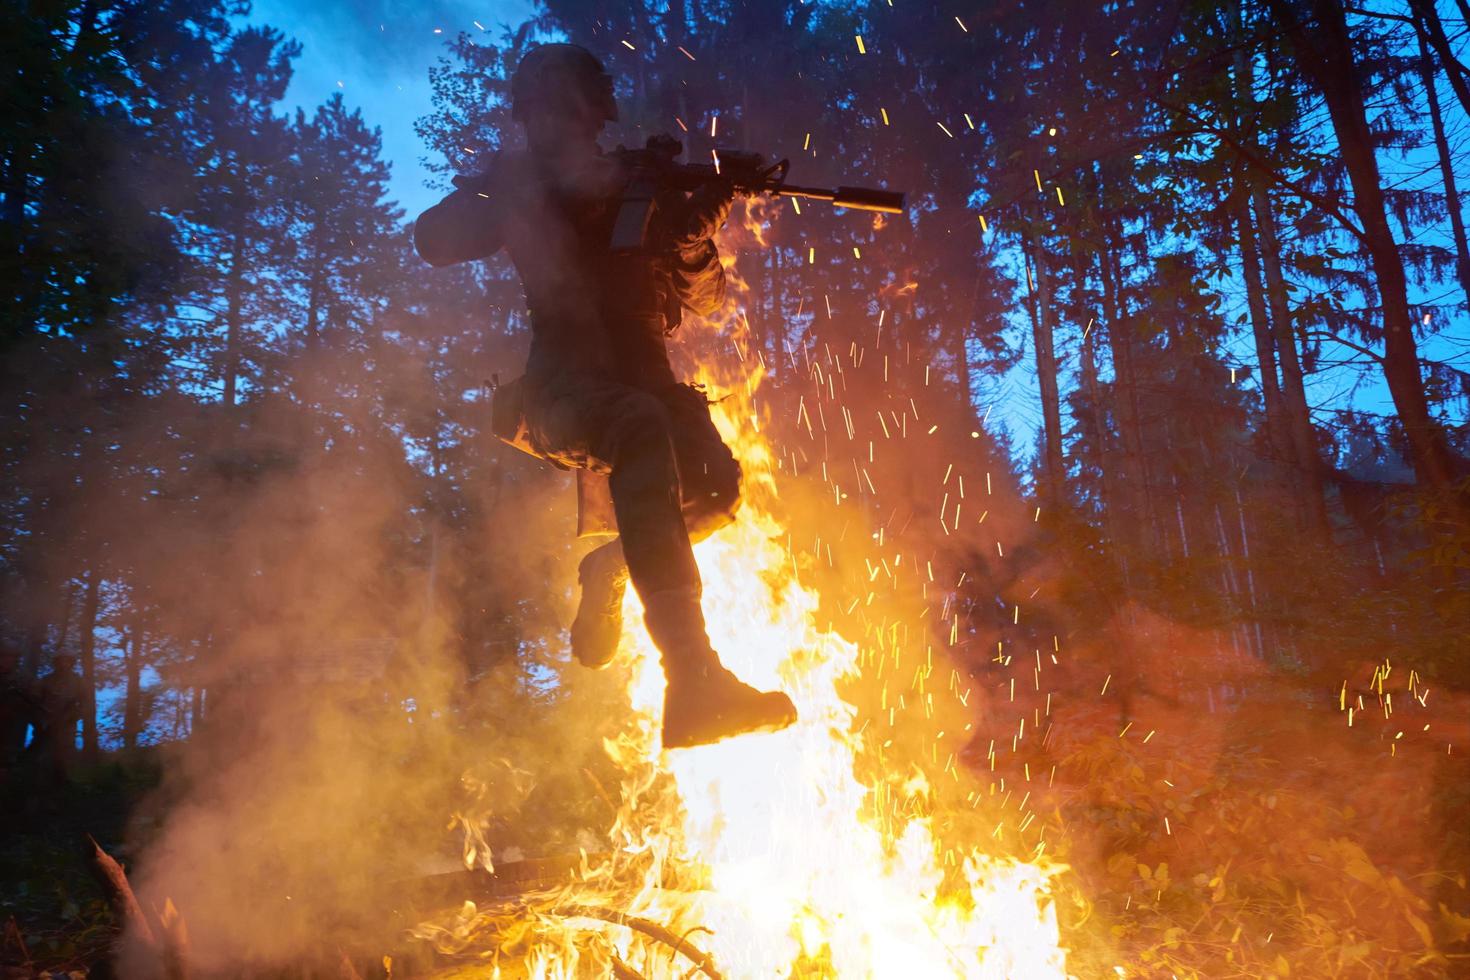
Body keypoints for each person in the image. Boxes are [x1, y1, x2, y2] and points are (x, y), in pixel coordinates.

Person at [414, 44, 796, 749]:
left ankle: (611, 564)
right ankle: (694, 678)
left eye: (571, 108)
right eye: (543, 111)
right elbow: (433, 239)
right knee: (640, 424)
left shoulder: (642, 188)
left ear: (595, 113)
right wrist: (504, 191)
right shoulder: (520, 189)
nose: (557, 123)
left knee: (714, 493)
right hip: (564, 388)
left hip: (647, 383)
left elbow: (704, 298)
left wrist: (692, 235)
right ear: (527, 117)